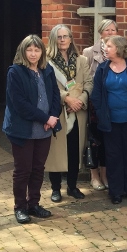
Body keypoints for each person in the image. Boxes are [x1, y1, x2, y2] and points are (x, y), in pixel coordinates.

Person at [3, 35, 61, 224]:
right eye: (30, 50)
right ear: (23, 51)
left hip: (44, 129)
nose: (33, 54)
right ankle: (20, 207)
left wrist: (52, 118)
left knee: (38, 169)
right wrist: (45, 118)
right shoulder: (15, 72)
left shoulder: (47, 70)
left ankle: (33, 204)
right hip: (23, 129)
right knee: (23, 170)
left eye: (37, 50)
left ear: (42, 52)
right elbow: (20, 104)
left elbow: (55, 96)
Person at [90, 36, 127, 204]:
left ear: (118, 48)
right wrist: (102, 113)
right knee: (113, 156)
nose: (106, 49)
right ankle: (115, 191)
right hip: (110, 122)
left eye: (109, 46)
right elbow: (96, 95)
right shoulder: (103, 69)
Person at [44, 25, 93, 203]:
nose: (63, 40)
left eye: (66, 36)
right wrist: (66, 98)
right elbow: (47, 87)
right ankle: (55, 189)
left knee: (74, 150)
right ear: (53, 39)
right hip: (57, 112)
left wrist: (80, 99)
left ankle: (72, 186)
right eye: (59, 37)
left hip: (78, 111)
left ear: (71, 39)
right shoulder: (47, 61)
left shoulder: (81, 60)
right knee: (56, 151)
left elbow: (89, 83)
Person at [83, 18, 118, 191]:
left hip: (113, 104)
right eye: (107, 30)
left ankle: (105, 174)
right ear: (100, 32)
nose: (110, 33)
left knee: (108, 140)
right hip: (95, 104)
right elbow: (86, 78)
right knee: (94, 140)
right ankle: (94, 175)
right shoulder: (89, 52)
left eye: (113, 30)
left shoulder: (119, 51)